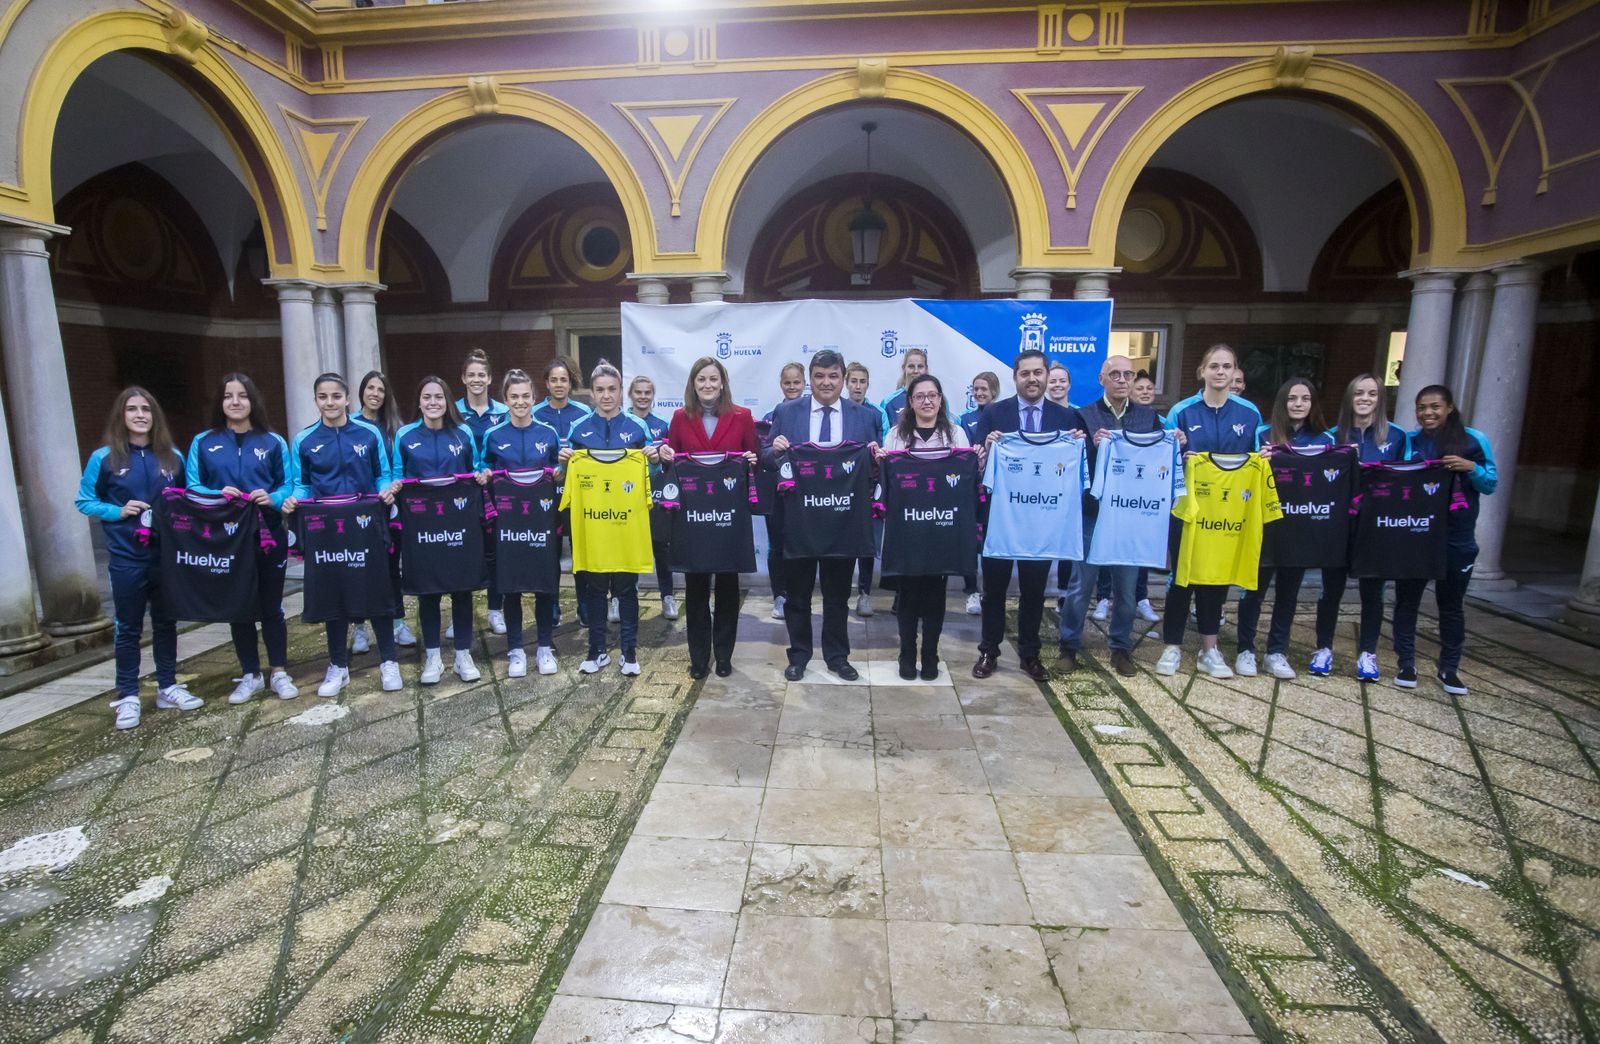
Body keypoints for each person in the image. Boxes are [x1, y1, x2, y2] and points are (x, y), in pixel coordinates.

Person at [77, 387, 200, 730]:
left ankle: (167, 685)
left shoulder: (172, 457)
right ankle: (128, 695)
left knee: (166, 623)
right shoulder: (104, 458)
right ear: (122, 416)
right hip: (127, 558)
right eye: (132, 409)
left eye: (146, 408)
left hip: (165, 557)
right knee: (128, 628)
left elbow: (189, 496)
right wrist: (118, 511)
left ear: (154, 415)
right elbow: (84, 500)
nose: (140, 415)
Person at [283, 373, 403, 696]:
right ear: (317, 401)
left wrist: (384, 491)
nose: (330, 402)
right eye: (323, 397)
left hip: (365, 525)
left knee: (376, 590)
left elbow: (384, 474)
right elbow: (300, 484)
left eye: (336, 396)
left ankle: (388, 660)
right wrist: (291, 500)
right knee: (332, 595)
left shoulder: (369, 433)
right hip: (327, 531)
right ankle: (338, 665)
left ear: (348, 398)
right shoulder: (304, 440)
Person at [765, 349, 882, 681]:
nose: (826, 382)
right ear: (810, 379)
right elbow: (764, 456)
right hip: (799, 520)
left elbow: (873, 469)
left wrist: (877, 459)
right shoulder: (787, 412)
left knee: (837, 596)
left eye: (833, 376)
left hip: (842, 521)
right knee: (798, 595)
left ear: (843, 379)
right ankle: (799, 655)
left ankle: (837, 656)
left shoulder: (864, 417)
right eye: (819, 376)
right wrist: (774, 451)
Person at [971, 349, 1086, 681]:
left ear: (1047, 375)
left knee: (1034, 591)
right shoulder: (994, 413)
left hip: (1042, 520)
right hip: (1002, 519)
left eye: (1038, 372)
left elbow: (1074, 468)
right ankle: (988, 651)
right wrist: (987, 448)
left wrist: (1078, 445)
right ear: (1015, 377)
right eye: (1026, 373)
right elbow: (978, 465)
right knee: (993, 590)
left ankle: (1030, 654)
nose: (1032, 379)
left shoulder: (1065, 417)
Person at [186, 373, 299, 704]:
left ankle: (278, 671)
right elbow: (192, 486)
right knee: (238, 607)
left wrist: (274, 498)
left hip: (267, 533)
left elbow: (290, 484)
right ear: (220, 403)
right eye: (227, 396)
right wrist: (216, 493)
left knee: (271, 606)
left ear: (253, 401)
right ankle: (250, 673)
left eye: (242, 396)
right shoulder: (203, 442)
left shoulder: (273, 441)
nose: (235, 402)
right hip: (226, 538)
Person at [1058, 355, 1162, 678]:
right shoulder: (1083, 415)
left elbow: (1160, 457)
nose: (1121, 380)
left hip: (1131, 516)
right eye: (1114, 374)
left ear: (1133, 380)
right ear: (1101, 378)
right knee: (1081, 586)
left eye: (1127, 375)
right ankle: (1069, 646)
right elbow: (1069, 463)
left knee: (1127, 590)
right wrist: (1090, 446)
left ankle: (1120, 647)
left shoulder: (1149, 418)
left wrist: (1175, 446)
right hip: (1093, 513)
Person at [1156, 344, 1254, 679]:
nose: (1220, 372)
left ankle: (1209, 650)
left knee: (1216, 580)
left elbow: (1255, 461)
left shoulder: (1249, 413)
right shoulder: (1182, 411)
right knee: (1181, 578)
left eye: (1227, 366)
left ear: (1234, 372)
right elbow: (1165, 455)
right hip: (1188, 508)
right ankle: (1171, 645)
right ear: (1203, 371)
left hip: (1227, 513)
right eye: (1214, 366)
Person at [660, 356, 759, 678]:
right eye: (701, 379)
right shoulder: (679, 418)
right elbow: (671, 466)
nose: (707, 385)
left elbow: (754, 459)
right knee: (696, 590)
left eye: (713, 379)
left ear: (723, 383)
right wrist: (663, 456)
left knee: (728, 590)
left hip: (728, 520)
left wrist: (750, 460)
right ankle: (699, 659)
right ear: (693, 384)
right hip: (692, 521)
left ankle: (725, 655)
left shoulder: (742, 417)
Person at [563, 360, 660, 675]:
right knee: (593, 590)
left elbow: (651, 476)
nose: (606, 396)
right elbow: (563, 478)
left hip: (625, 526)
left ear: (621, 393)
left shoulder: (637, 428)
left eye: (612, 390)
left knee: (627, 588)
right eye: (600, 390)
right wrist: (563, 464)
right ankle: (596, 650)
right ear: (591, 393)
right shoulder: (578, 430)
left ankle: (629, 652)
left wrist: (655, 462)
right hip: (593, 527)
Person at [1313, 373, 1411, 681]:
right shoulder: (1331, 436)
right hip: (1339, 528)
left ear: (1381, 398)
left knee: (1373, 593)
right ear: (1349, 398)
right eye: (1358, 393)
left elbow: (1406, 480)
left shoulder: (1396, 436)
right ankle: (1323, 648)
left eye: (1371, 393)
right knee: (1331, 591)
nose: (1365, 399)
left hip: (1376, 529)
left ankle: (1367, 653)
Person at [1235, 378, 1334, 680]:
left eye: (1305, 398)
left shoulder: (1326, 441)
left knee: (1288, 595)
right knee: (1252, 592)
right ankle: (1245, 649)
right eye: (1292, 398)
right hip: (1265, 527)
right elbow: (1246, 474)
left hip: (1301, 527)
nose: (1299, 404)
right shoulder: (1263, 434)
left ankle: (1276, 651)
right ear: (1282, 402)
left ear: (1313, 403)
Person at [392, 376, 487, 685]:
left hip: (459, 524)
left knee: (461, 590)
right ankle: (432, 656)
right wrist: (392, 486)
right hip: (422, 527)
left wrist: (481, 475)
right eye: (427, 397)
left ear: (447, 401)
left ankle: (462, 655)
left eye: (439, 397)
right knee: (428, 593)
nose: (433, 402)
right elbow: (395, 474)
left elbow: (475, 468)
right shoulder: (405, 436)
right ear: (418, 402)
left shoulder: (463, 433)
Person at [1402, 385, 1495, 694]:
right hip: (1416, 534)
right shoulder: (1410, 442)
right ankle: (1406, 663)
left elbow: (1491, 483)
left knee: (1451, 606)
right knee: (1406, 602)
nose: (1427, 413)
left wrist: (1472, 468)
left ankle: (1449, 668)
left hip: (1457, 536)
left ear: (1450, 407)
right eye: (1421, 408)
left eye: (1434, 406)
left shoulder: (1473, 440)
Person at [880, 373, 970, 679]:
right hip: (907, 529)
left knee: (935, 595)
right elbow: (886, 483)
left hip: (942, 529)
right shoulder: (895, 436)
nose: (927, 401)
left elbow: (966, 481)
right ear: (910, 402)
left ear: (941, 400)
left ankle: (929, 654)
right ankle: (907, 652)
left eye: (933, 395)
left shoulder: (956, 435)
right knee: (908, 596)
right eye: (920, 396)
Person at [482, 368, 564, 677]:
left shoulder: (547, 433)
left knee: (543, 587)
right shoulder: (493, 435)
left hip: (541, 523)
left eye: (525, 396)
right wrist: (485, 475)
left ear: (533, 398)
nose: (520, 402)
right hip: (508, 525)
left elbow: (558, 466)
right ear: (505, 400)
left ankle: (544, 647)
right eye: (514, 397)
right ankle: (516, 649)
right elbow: (482, 467)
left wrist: (558, 471)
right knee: (512, 588)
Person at [350, 370, 418, 652]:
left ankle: (397, 621)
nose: (375, 394)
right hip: (357, 509)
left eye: (380, 389)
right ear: (362, 392)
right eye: (370, 388)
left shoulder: (396, 428)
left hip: (390, 507)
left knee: (391, 566)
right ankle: (360, 629)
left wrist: (392, 489)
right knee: (357, 567)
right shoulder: (350, 425)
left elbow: (400, 467)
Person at [534, 357, 593, 626]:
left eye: (564, 380)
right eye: (554, 380)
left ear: (571, 383)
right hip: (547, 492)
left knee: (580, 550)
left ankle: (585, 606)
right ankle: (553, 605)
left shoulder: (583, 412)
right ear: (546, 383)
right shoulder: (535, 414)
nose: (559, 384)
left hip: (579, 492)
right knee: (551, 552)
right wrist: (550, 469)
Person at [456, 350, 510, 636]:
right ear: (463, 377)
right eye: (471, 375)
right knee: (462, 550)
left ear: (489, 378)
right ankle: (458, 614)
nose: (476, 380)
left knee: (495, 553)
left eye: (481, 375)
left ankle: (495, 609)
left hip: (494, 493)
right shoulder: (452, 411)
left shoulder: (503, 412)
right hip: (461, 495)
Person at [629, 374, 678, 622]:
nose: (643, 397)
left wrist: (659, 460)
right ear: (630, 394)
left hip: (656, 492)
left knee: (661, 546)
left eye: (647, 392)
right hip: (626, 494)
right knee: (628, 548)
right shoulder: (621, 421)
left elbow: (670, 464)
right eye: (638, 392)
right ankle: (623, 597)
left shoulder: (662, 424)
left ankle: (667, 597)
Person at [762, 361, 807, 621]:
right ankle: (779, 595)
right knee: (776, 545)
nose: (792, 387)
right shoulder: (773, 414)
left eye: (796, 382)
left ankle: (799, 594)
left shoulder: (813, 414)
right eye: (787, 382)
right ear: (781, 384)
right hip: (776, 490)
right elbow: (765, 453)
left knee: (800, 545)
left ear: (804, 384)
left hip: (804, 492)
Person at [846, 361, 889, 617]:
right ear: (847, 383)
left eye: (862, 382)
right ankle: (841, 590)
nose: (858, 386)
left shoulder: (876, 414)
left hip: (870, 487)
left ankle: (864, 593)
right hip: (843, 486)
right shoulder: (838, 411)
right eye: (854, 381)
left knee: (868, 542)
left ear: (867, 385)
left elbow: (884, 447)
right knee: (845, 540)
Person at [957, 370, 999, 615]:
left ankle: (990, 591)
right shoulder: (965, 419)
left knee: (991, 541)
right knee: (969, 540)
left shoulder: (1002, 415)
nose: (980, 393)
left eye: (984, 389)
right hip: (969, 488)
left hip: (995, 490)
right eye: (976, 389)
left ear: (994, 390)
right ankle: (971, 591)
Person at [878, 347, 930, 425]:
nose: (916, 371)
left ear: (926, 369)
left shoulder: (936, 399)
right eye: (911, 366)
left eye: (920, 366)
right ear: (904, 368)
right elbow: (884, 434)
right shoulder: (888, 402)